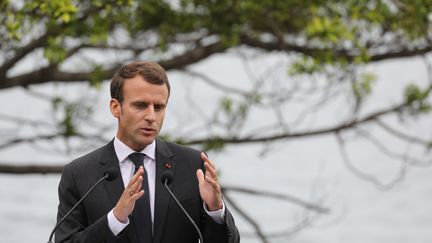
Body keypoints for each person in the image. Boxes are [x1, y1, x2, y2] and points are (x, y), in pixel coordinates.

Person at [55, 61, 240, 243]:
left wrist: (215, 210)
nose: (151, 117)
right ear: (115, 107)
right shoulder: (78, 174)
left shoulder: (193, 165)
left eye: (158, 107)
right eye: (140, 105)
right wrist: (115, 219)